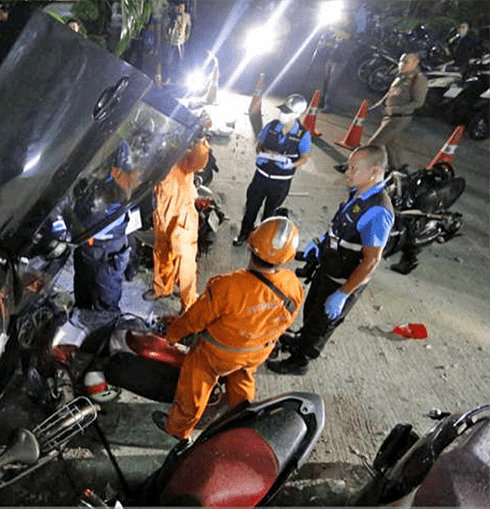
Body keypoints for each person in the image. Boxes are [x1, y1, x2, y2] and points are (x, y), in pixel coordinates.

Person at [152, 216, 305, 441]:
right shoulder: (293, 285)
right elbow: (286, 320)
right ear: (288, 257)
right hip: (256, 352)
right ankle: (240, 423)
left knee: (194, 389)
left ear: (251, 244)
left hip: (215, 355)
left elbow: (194, 320)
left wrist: (172, 336)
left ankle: (177, 430)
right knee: (242, 381)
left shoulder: (226, 286)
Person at [267, 145, 394, 376]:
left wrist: (343, 293)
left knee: (322, 324)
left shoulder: (378, 211)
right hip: (328, 269)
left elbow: (371, 261)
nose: (348, 172)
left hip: (342, 280)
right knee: (313, 312)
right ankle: (300, 340)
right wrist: (321, 243)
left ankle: (300, 361)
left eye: (354, 168)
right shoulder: (360, 193)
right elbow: (342, 225)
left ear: (374, 171)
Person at [233, 94, 311, 246]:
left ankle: (261, 240)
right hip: (260, 178)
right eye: (283, 110)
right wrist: (260, 154)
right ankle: (243, 235)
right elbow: (260, 145)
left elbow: (305, 157)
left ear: (297, 114)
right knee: (251, 208)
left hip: (280, 183)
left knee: (269, 214)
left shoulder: (303, 134)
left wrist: (291, 164)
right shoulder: (271, 126)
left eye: (287, 112)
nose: (282, 114)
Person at [143, 138, 209, 313]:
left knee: (185, 262)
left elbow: (198, 160)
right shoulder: (160, 153)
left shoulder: (184, 157)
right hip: (162, 214)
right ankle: (162, 288)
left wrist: (199, 140)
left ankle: (188, 304)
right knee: (162, 251)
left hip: (183, 217)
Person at [73, 141, 140, 313]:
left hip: (108, 254)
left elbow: (131, 226)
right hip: (86, 248)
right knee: (82, 296)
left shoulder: (125, 185)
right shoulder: (90, 182)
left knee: (106, 305)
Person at [366, 52, 428, 171]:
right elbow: (391, 93)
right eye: (401, 61)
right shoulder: (401, 75)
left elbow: (418, 103)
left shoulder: (419, 80)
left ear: (416, 63)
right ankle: (397, 169)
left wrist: (394, 110)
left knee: (374, 143)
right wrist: (379, 104)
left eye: (406, 62)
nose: (402, 65)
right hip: (389, 115)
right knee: (392, 145)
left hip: (399, 118)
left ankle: (354, 166)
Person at [164, 1, 191, 83]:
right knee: (169, 60)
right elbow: (166, 26)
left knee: (179, 60)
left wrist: (185, 38)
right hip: (172, 41)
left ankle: (177, 77)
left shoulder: (186, 17)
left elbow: (188, 29)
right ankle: (169, 76)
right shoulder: (172, 15)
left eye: (182, 8)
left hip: (181, 42)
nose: (180, 9)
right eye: (179, 7)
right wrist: (167, 36)